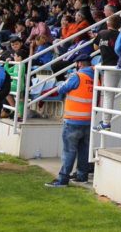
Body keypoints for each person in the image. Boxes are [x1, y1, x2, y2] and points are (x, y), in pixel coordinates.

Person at [45, 54, 95, 187]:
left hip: (73, 120)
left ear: (79, 64)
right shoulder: (96, 78)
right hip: (89, 120)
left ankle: (63, 179)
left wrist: (63, 81)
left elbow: (61, 88)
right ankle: (81, 176)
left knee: (69, 151)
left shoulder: (76, 76)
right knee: (83, 150)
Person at [94, 14, 121, 131]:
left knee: (109, 95)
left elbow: (95, 47)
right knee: (112, 93)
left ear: (108, 23)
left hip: (109, 67)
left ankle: (105, 123)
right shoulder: (120, 35)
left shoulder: (101, 33)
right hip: (119, 66)